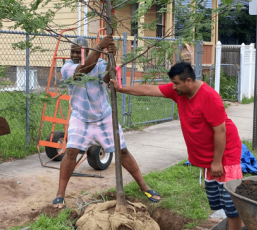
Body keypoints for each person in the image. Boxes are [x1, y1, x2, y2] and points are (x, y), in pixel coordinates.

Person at [111, 62, 244, 230]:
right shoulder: (180, 92)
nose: (173, 87)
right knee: (220, 201)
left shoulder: (209, 97)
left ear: (188, 81)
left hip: (226, 154)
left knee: (232, 206)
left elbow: (221, 131)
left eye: (176, 83)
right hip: (211, 156)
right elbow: (149, 90)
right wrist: (121, 89)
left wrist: (217, 161)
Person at [52, 36, 161, 209]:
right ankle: (60, 194)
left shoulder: (98, 63)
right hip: (81, 118)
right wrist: (99, 47)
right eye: (71, 51)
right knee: (71, 152)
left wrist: (111, 57)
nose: (73, 54)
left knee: (122, 151)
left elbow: (106, 77)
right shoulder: (67, 68)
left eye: (77, 51)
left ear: (86, 51)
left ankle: (143, 186)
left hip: (104, 118)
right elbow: (82, 71)